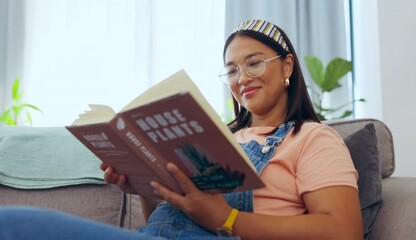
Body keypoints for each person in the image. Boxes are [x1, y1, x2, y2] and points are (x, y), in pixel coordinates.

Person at [0, 19, 363, 240]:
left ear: (287, 66)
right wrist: (143, 186)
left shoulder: (313, 139)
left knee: (13, 225)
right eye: (232, 70)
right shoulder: (224, 137)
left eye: (253, 63)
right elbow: (168, 222)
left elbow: (343, 232)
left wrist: (228, 218)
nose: (242, 78)